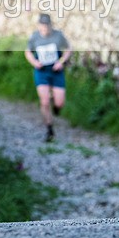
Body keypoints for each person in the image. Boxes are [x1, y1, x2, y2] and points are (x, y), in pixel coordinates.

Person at [25, 13, 72, 142]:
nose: (44, 28)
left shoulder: (58, 36)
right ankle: (49, 129)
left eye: (47, 25)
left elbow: (68, 49)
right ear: (39, 25)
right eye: (42, 25)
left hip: (56, 70)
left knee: (59, 102)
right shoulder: (34, 37)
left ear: (50, 25)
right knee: (44, 101)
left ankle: (56, 107)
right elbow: (27, 51)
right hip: (41, 71)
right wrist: (34, 63)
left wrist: (61, 62)